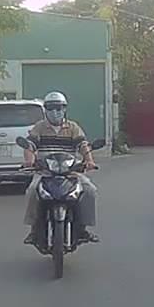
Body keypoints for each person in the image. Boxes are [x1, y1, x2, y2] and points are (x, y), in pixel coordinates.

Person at [23, 91, 99, 245]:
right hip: (45, 171)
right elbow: (30, 145)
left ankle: (83, 228)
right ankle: (33, 230)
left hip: (70, 172)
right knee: (32, 191)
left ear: (64, 109)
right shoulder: (39, 127)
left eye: (58, 108)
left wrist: (89, 161)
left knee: (90, 190)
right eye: (51, 108)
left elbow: (83, 145)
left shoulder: (73, 127)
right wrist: (30, 161)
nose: (55, 112)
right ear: (45, 110)